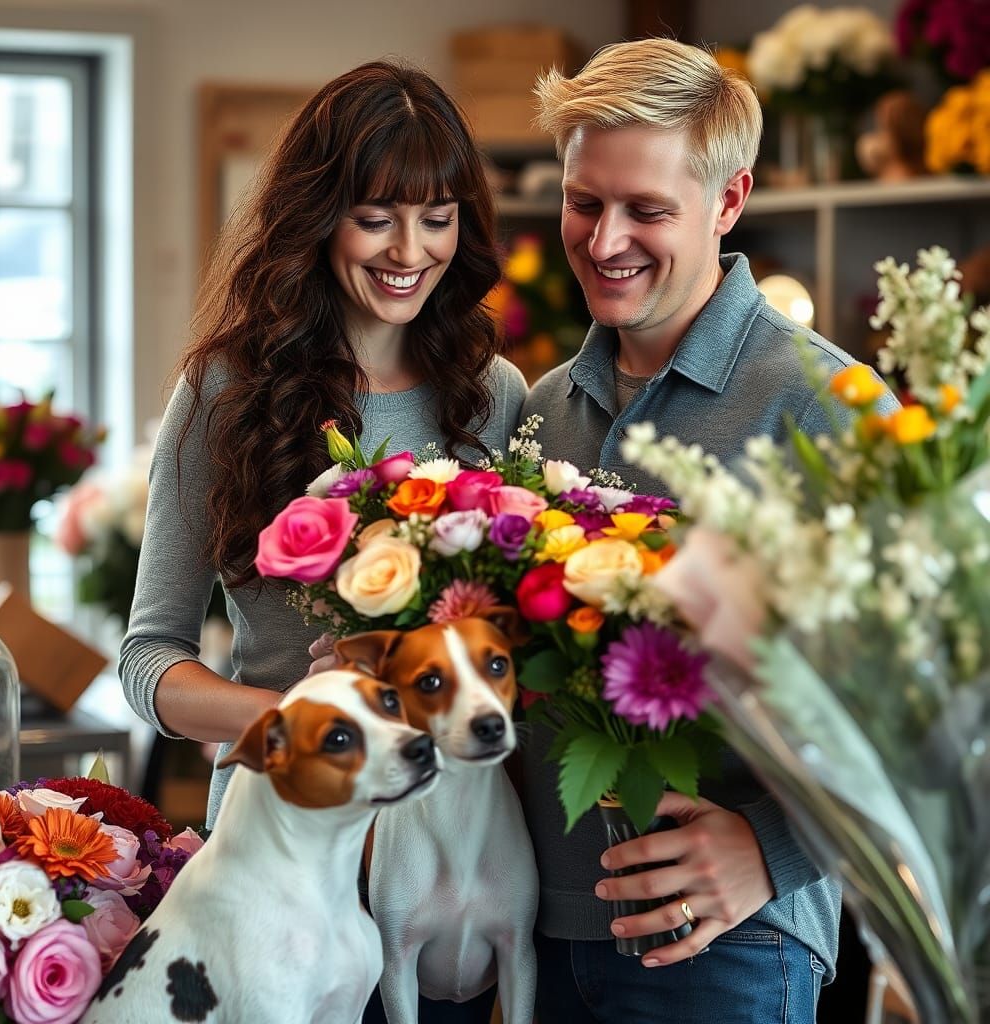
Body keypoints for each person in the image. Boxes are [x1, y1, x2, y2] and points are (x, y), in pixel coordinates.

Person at [119, 61, 526, 1024]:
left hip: (447, 872)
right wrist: (307, 728)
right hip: (280, 876)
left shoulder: (495, 395)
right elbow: (148, 658)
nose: (410, 250)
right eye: (377, 214)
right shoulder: (224, 393)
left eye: (438, 217)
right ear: (319, 215)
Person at [518, 37, 895, 1024]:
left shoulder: (827, 406)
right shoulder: (543, 409)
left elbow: (937, 701)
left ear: (729, 202)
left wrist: (769, 852)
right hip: (536, 939)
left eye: (646, 210)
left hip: (726, 947)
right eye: (582, 201)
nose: (603, 241)